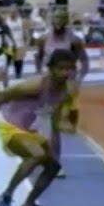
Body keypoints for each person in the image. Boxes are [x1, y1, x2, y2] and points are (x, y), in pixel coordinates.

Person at [0, 49, 78, 206]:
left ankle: (29, 205)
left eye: (69, 69)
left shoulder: (67, 91)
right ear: (51, 68)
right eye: (61, 69)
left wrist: (55, 146)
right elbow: (2, 96)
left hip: (31, 129)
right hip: (10, 124)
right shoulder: (35, 85)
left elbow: (54, 118)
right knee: (36, 154)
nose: (65, 73)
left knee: (53, 166)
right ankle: (7, 194)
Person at [35, 9, 90, 177]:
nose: (58, 21)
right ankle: (47, 160)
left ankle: (55, 162)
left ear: (66, 21)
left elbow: (84, 60)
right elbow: (38, 56)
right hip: (48, 85)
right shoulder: (44, 38)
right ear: (51, 20)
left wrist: (79, 79)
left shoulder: (74, 40)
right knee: (45, 126)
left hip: (65, 86)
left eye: (61, 18)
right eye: (55, 17)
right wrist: (39, 73)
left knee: (54, 126)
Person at [5, 8, 26, 79]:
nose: (13, 13)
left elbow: (25, 32)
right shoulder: (6, 21)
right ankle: (4, 76)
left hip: (19, 44)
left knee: (19, 61)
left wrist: (26, 43)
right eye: (11, 12)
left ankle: (18, 75)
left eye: (14, 12)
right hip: (9, 45)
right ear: (9, 12)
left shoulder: (21, 21)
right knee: (7, 61)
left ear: (17, 13)